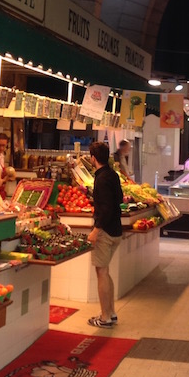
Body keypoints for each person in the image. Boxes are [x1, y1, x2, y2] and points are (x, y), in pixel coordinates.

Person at [87, 141, 124, 329]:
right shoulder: (113, 175)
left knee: (101, 272)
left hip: (106, 232)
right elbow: (119, 200)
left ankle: (105, 317)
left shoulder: (100, 179)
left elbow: (106, 207)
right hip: (117, 229)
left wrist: (96, 230)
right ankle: (111, 312)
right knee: (106, 271)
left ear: (93, 158)